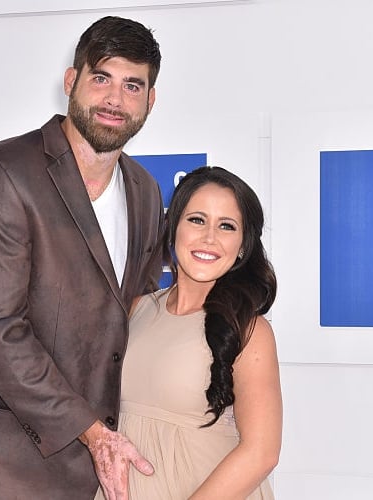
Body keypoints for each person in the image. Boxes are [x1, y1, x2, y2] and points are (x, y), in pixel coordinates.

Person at [0, 16, 164, 500]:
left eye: (132, 86)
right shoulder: (0, 173)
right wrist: (93, 433)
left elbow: (139, 315)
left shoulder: (145, 191)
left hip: (105, 470)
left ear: (150, 101)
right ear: (70, 81)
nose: (115, 99)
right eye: (101, 78)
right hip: (9, 470)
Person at [96, 166, 282, 500]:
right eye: (197, 220)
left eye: (226, 226)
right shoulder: (136, 309)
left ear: (242, 246)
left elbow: (261, 452)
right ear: (173, 229)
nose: (209, 237)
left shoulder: (250, 330)